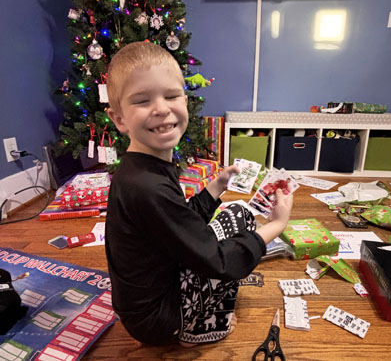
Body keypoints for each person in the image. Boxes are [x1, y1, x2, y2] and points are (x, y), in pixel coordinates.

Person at [104, 41, 293, 347]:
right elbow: (219, 262)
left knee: (237, 214)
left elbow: (178, 224)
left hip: (147, 302)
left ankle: (193, 316)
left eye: (171, 96)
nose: (161, 108)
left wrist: (215, 187)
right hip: (158, 321)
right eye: (142, 100)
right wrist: (277, 224)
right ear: (119, 118)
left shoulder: (140, 166)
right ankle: (195, 328)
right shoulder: (147, 187)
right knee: (241, 225)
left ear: (185, 100)